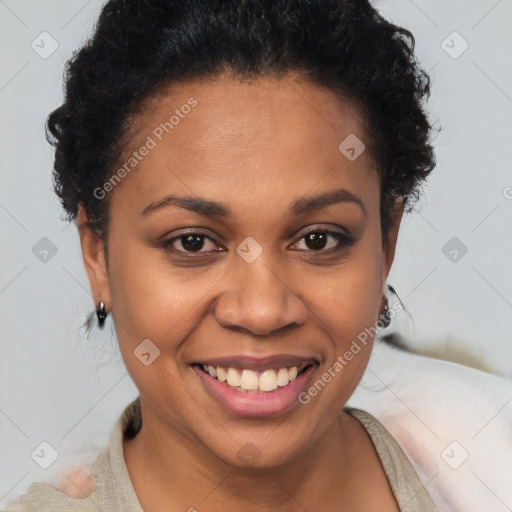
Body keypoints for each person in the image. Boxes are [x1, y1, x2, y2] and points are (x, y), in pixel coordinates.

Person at [3, 1, 510, 511]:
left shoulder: (488, 458)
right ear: (97, 253)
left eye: (318, 239)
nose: (263, 310)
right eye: (193, 242)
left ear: (386, 244)